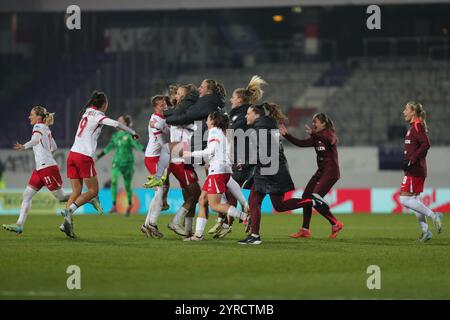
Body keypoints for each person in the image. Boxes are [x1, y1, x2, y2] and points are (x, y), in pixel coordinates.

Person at [1, 106, 101, 234]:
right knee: (27, 195)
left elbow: (36, 140)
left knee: (61, 197)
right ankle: (19, 224)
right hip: (41, 168)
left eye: (31, 114)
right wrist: (45, 152)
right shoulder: (46, 128)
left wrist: (24, 146)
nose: (29, 117)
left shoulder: (37, 126)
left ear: (39, 117)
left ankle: (89, 198)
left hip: (47, 168)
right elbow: (54, 146)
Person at [238, 103, 320, 245]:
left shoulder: (261, 128)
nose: (246, 115)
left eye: (248, 113)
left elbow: (263, 154)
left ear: (257, 115)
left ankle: (255, 236)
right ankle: (313, 201)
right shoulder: (265, 125)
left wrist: (245, 164)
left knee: (257, 202)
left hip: (270, 171)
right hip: (272, 169)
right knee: (272, 204)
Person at [61, 91, 139, 238]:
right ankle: (69, 210)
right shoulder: (98, 116)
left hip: (72, 155)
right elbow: (116, 124)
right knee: (93, 191)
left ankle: (66, 223)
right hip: (83, 156)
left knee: (76, 191)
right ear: (104, 104)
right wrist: (132, 131)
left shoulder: (87, 112)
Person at [209, 75, 267, 237]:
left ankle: (229, 222)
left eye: (233, 97)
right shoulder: (237, 114)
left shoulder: (241, 116)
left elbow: (233, 135)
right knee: (230, 189)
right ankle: (234, 217)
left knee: (230, 189)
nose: (231, 100)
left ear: (240, 100)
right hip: (239, 158)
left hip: (243, 159)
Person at [182, 111, 249, 241]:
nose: (206, 122)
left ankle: (244, 216)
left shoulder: (214, 131)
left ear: (212, 120)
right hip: (221, 170)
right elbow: (223, 152)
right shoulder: (223, 132)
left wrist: (190, 154)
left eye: (207, 119)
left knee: (214, 205)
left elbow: (210, 150)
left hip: (217, 171)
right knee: (202, 200)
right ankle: (198, 235)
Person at [279, 113, 344, 239]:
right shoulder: (317, 137)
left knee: (315, 197)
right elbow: (301, 144)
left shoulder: (329, 134)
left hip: (331, 172)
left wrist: (314, 135)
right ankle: (305, 229)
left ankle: (335, 223)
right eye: (313, 122)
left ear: (324, 123)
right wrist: (287, 136)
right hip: (321, 172)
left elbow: (330, 142)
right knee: (306, 197)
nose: (313, 124)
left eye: (316, 122)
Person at [398, 102, 442, 242]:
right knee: (415, 200)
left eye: (406, 109)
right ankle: (426, 232)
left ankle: (434, 215)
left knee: (404, 199)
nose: (404, 111)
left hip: (415, 169)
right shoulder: (414, 126)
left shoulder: (417, 125)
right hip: (415, 168)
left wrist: (412, 159)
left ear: (413, 112)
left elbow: (426, 144)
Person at [165, 84, 202, 237]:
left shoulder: (180, 113)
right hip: (179, 159)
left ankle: (188, 230)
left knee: (190, 196)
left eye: (180, 94)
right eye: (177, 93)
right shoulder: (182, 114)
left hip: (184, 159)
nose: (177, 96)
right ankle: (175, 222)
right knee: (196, 195)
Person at [96, 115, 144, 216]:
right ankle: (114, 205)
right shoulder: (115, 137)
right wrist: (98, 156)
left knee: (127, 186)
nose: (117, 123)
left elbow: (137, 145)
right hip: (117, 163)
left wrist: (147, 152)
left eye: (120, 121)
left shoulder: (130, 136)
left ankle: (130, 204)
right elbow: (108, 148)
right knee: (113, 181)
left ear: (125, 124)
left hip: (128, 164)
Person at [141, 95, 171, 238]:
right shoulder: (155, 121)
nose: (164, 107)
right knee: (160, 190)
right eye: (161, 105)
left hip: (159, 157)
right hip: (153, 158)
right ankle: (151, 224)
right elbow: (161, 142)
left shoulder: (163, 119)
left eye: (165, 104)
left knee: (160, 190)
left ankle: (147, 224)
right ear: (155, 107)